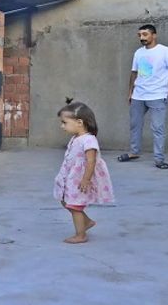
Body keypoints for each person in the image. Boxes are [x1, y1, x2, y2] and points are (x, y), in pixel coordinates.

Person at [116, 24, 168, 169]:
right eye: (140, 35)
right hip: (139, 95)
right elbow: (134, 73)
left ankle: (159, 159)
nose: (142, 38)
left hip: (157, 95)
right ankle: (134, 152)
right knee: (135, 125)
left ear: (154, 35)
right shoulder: (138, 53)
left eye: (145, 34)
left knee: (157, 128)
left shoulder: (165, 51)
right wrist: (130, 92)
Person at [54, 99, 115, 244]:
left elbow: (91, 161)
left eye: (65, 122)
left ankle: (80, 235)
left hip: (80, 179)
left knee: (75, 206)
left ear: (79, 122)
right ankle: (86, 222)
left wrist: (86, 179)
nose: (62, 126)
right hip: (71, 177)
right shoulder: (76, 138)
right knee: (65, 201)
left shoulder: (89, 140)